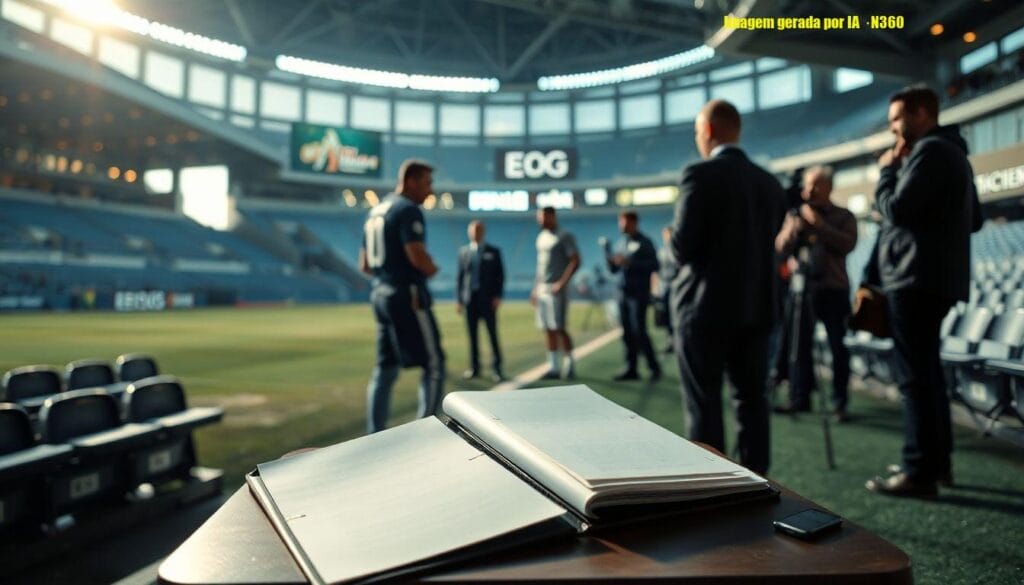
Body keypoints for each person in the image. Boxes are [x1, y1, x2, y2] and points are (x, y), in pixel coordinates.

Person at [864, 87, 982, 497]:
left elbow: (895, 209)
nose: (894, 127)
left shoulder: (929, 151)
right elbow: (976, 219)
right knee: (928, 376)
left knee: (915, 378)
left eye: (898, 117)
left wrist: (886, 172)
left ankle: (918, 471)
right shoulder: (956, 153)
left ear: (921, 113)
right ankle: (937, 463)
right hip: (938, 278)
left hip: (915, 279)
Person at [669, 99, 786, 475]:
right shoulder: (769, 183)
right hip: (756, 306)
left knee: (704, 404)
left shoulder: (699, 175)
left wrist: (671, 237)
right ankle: (757, 483)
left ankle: (711, 485)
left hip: (703, 308)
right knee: (752, 401)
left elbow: (683, 248)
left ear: (708, 131)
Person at [359, 159, 445, 434]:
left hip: (380, 294)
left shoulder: (376, 210)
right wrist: (431, 267)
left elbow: (365, 265)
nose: (430, 191)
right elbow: (417, 257)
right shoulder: (408, 210)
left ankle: (374, 434)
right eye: (427, 183)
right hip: (406, 295)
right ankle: (425, 434)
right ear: (411, 181)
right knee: (433, 364)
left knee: (385, 368)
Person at [774, 166, 857, 420]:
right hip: (804, 290)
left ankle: (840, 402)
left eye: (815, 185)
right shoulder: (795, 215)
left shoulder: (844, 216)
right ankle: (799, 398)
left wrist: (820, 226)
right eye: (807, 185)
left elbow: (847, 244)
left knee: (837, 346)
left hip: (834, 289)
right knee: (799, 346)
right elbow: (780, 248)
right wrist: (794, 228)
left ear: (828, 187)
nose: (809, 190)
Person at [605, 211, 661, 381]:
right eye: (620, 223)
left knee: (639, 331)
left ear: (634, 223)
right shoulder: (621, 244)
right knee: (626, 332)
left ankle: (653, 367)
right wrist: (608, 257)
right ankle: (631, 368)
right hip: (622, 292)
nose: (622, 226)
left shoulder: (645, 242)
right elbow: (614, 270)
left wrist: (630, 262)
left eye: (625, 223)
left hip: (638, 293)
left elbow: (654, 265)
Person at [531, 206, 580, 380]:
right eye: (539, 217)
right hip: (543, 287)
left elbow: (575, 261)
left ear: (552, 217)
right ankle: (553, 366)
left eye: (543, 217)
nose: (540, 220)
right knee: (547, 328)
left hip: (556, 288)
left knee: (559, 327)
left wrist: (562, 282)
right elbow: (540, 266)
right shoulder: (541, 237)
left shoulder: (564, 236)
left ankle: (569, 362)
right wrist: (535, 288)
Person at [456, 220, 506, 382]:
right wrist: (459, 300)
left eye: (478, 230)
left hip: (488, 299)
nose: (475, 233)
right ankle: (474, 367)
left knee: (492, 334)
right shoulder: (463, 252)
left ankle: (497, 368)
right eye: (473, 230)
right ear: (469, 232)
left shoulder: (494, 251)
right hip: (470, 299)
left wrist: (498, 296)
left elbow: (500, 276)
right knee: (472, 336)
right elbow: (460, 278)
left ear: (483, 232)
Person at [656, 225, 681, 353]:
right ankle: (670, 340)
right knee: (666, 315)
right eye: (665, 234)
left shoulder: (678, 250)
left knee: (677, 314)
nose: (667, 237)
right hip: (664, 287)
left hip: (676, 286)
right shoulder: (661, 251)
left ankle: (678, 340)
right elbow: (657, 271)